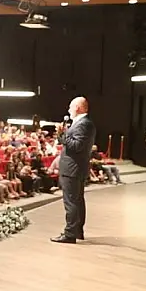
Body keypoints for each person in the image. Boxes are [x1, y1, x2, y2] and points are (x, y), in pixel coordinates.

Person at [52, 97, 96, 244]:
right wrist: (61, 134)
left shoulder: (84, 124)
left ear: (77, 107)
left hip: (73, 169)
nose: (69, 110)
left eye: (70, 107)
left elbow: (76, 146)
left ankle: (70, 234)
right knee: (77, 200)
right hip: (75, 168)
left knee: (71, 202)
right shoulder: (82, 123)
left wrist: (63, 135)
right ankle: (77, 231)